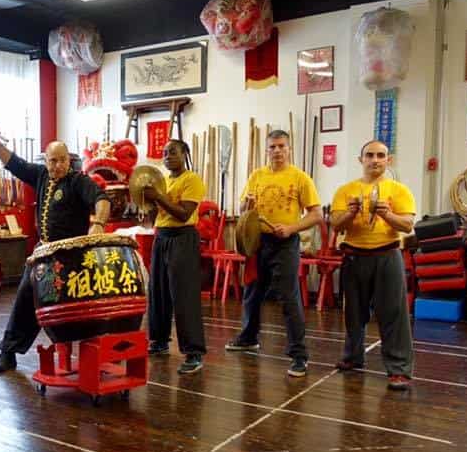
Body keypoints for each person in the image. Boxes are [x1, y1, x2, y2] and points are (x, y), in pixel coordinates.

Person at [0, 130, 111, 373]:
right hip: (43, 254)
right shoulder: (41, 175)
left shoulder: (78, 181)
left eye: (62, 160)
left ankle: (96, 352)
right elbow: (13, 163)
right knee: (26, 296)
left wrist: (98, 224)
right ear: (46, 161)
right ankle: (8, 352)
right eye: (53, 160)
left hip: (72, 257)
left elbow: (102, 198)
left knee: (77, 305)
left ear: (69, 160)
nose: (57, 165)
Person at [224, 129, 322, 377]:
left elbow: (316, 214)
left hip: (285, 243)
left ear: (289, 149)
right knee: (252, 292)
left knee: (288, 298)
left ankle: (299, 355)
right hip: (258, 241)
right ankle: (248, 338)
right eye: (272, 147)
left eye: (281, 146)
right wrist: (248, 205)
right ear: (266, 150)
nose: (277, 151)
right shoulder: (257, 175)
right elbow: (243, 207)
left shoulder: (300, 178)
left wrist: (291, 228)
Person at [329, 140, 416, 390]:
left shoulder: (399, 191)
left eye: (381, 155)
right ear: (361, 160)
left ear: (389, 160)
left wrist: (387, 214)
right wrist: (350, 213)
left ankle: (398, 370)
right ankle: (353, 357)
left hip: (387, 256)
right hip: (354, 257)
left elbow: (408, 225)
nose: (375, 160)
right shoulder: (345, 191)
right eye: (370, 155)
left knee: (393, 314)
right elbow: (336, 225)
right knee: (353, 314)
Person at [144, 139, 207, 374]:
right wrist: (148, 201)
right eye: (164, 153)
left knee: (184, 295)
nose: (167, 156)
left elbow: (183, 214)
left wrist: (158, 196)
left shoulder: (192, 180)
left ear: (185, 154)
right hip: (162, 237)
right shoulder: (164, 181)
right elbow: (156, 216)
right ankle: (159, 341)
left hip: (183, 237)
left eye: (172, 152)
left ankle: (194, 352)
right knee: (158, 291)